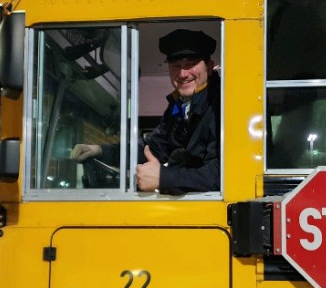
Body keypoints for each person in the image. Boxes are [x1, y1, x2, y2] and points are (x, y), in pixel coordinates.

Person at [71, 28, 220, 194]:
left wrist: (163, 178)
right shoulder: (179, 107)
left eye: (190, 64)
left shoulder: (222, 105)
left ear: (210, 66)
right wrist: (100, 150)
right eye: (176, 66)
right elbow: (153, 147)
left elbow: (224, 173)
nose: (182, 74)